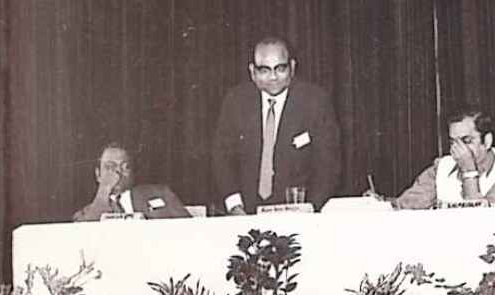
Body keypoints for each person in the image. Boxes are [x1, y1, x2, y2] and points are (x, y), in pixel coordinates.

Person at [212, 36, 343, 214]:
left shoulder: (315, 102)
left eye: (280, 69)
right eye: (264, 70)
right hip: (243, 212)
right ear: (252, 72)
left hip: (299, 212)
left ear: (292, 68)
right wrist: (234, 205)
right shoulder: (235, 101)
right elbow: (222, 159)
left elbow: (328, 166)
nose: (273, 77)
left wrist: (310, 208)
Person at [391, 109, 495, 209]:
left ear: (487, 141)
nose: (458, 150)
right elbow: (405, 205)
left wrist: (469, 172)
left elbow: (483, 220)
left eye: (466, 141)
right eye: (453, 142)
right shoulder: (442, 166)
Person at [73, 143, 190, 221]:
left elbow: (189, 228)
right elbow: (83, 236)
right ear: (98, 174)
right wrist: (104, 190)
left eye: (125, 167)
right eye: (110, 167)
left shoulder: (160, 194)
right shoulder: (85, 214)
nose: (118, 173)